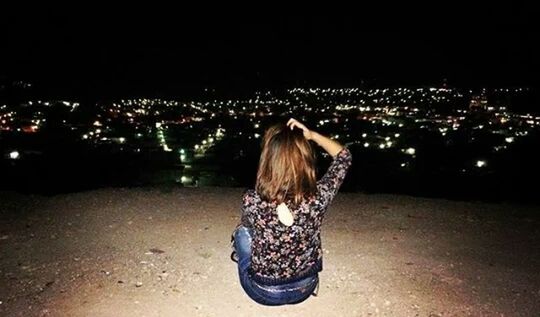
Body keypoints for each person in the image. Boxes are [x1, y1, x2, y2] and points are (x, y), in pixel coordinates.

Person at [231, 118, 352, 305]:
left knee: (242, 232)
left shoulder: (252, 199)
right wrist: (312, 135)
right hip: (305, 287)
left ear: (268, 160)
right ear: (305, 160)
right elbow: (344, 156)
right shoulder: (320, 195)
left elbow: (250, 228)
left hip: (263, 292)